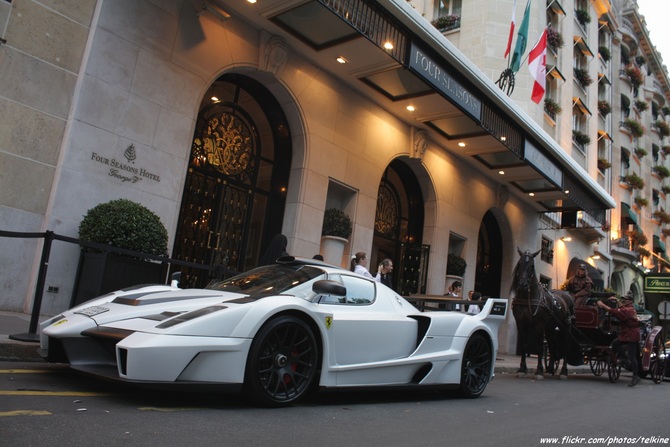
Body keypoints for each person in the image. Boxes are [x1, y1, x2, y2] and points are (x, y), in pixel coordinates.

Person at [596, 291, 641, 387]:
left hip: (631, 334)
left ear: (629, 301)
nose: (623, 301)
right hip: (627, 333)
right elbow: (622, 308)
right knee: (615, 343)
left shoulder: (628, 311)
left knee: (632, 356)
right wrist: (617, 300)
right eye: (623, 300)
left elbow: (614, 311)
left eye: (624, 300)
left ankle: (636, 375)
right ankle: (624, 358)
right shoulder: (628, 308)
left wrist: (602, 305)